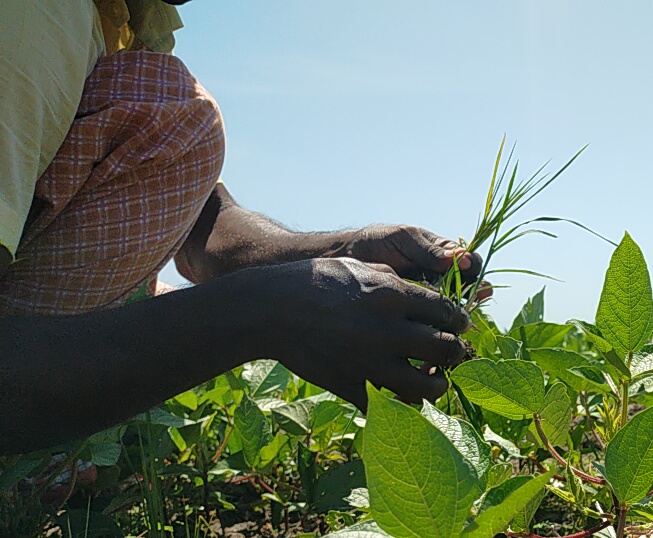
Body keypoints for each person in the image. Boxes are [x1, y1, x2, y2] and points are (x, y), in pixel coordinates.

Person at [0, 0, 482, 454]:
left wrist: (344, 252)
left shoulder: (130, 22)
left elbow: (206, 228)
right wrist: (265, 313)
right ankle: (35, 466)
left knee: (176, 135)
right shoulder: (32, 26)